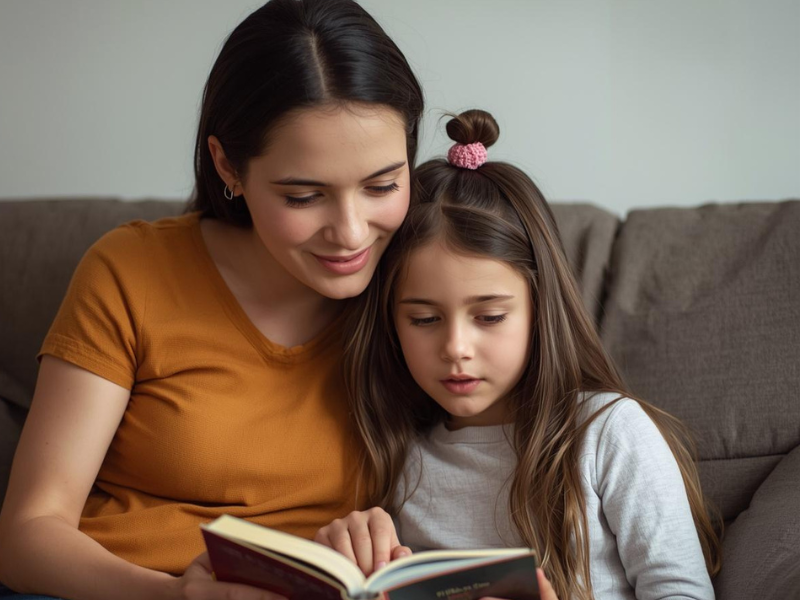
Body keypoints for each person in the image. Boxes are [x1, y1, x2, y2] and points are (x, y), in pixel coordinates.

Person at [0, 1, 423, 598]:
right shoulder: (133, 273)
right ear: (228, 165)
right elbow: (26, 535)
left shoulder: (423, 293)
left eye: (382, 185)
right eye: (304, 196)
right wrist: (177, 596)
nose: (351, 234)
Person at [314, 110, 722, 600]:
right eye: (424, 320)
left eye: (489, 318)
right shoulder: (400, 456)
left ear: (539, 309)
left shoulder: (607, 433)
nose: (456, 349)